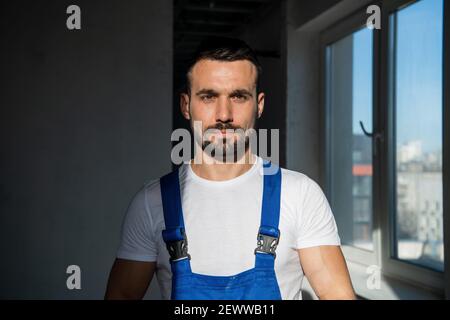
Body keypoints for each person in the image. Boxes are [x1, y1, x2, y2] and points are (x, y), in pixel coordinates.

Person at [105, 36, 355, 300]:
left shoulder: (300, 194)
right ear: (186, 105)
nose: (224, 114)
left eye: (238, 96)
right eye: (208, 96)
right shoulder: (151, 203)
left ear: (258, 105)